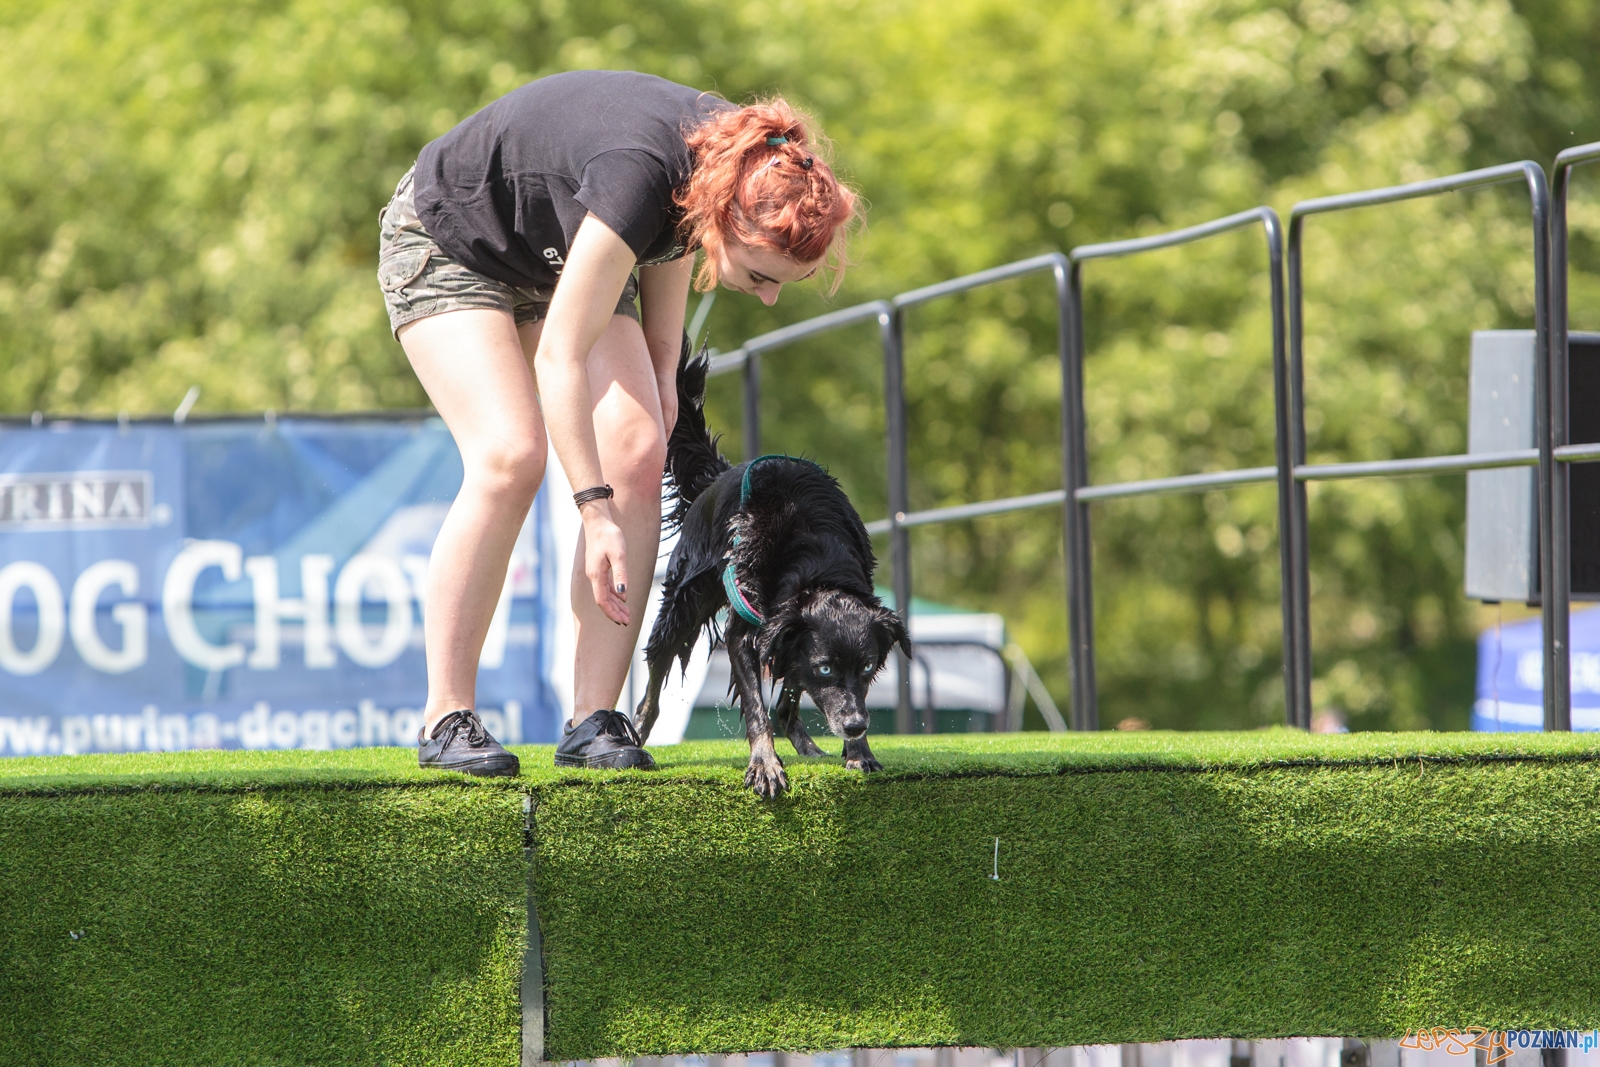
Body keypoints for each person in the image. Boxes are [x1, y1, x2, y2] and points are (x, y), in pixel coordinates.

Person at [375, 70, 858, 776]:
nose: (769, 299)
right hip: (452, 240)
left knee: (638, 444)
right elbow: (561, 357)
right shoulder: (640, 175)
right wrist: (594, 510)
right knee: (511, 455)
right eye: (762, 275)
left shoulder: (733, 161)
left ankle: (594, 718)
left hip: (560, 253)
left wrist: (661, 385)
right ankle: (446, 716)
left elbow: (668, 249)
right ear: (733, 219)